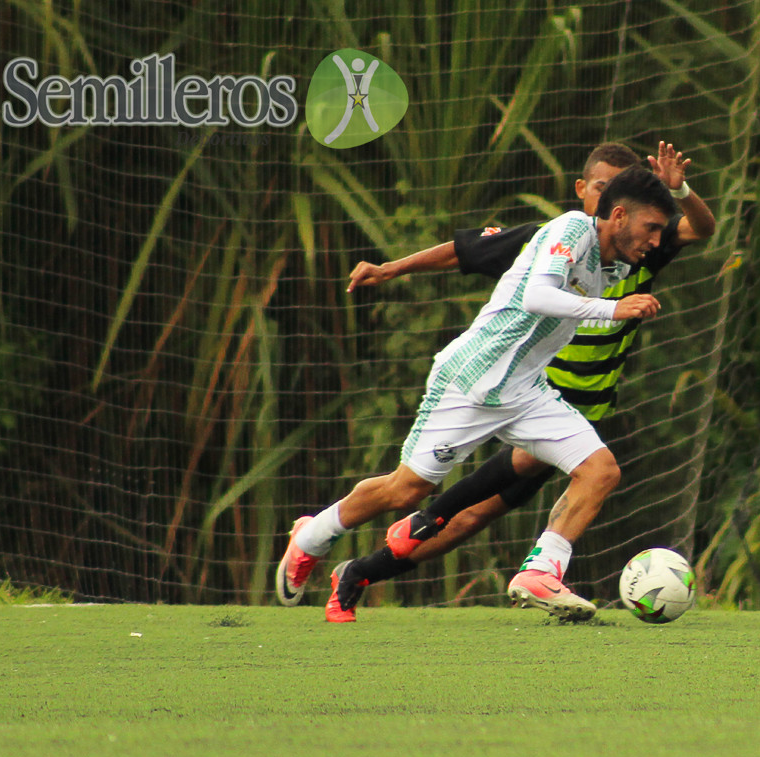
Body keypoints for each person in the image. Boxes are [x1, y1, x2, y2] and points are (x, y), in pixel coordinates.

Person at [306, 142, 717, 622]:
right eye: (601, 186)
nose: (654, 237)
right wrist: (392, 267)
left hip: (550, 399)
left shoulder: (631, 254)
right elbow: (480, 262)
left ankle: (529, 570)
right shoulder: (560, 233)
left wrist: (680, 191)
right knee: (427, 496)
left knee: (583, 478)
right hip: (497, 384)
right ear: (594, 196)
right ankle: (349, 541)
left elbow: (702, 228)